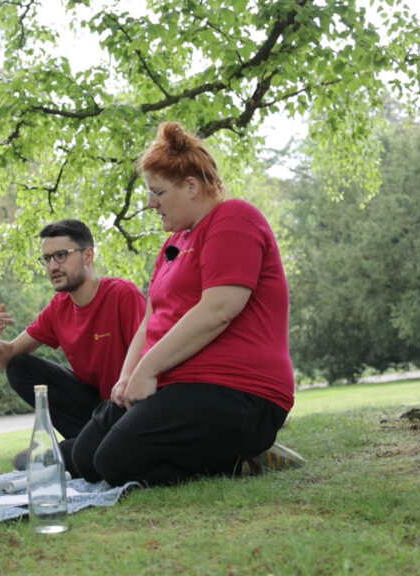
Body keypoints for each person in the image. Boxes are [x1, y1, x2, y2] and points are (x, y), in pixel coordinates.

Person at [71, 122, 305, 488]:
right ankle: (222, 453)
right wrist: (127, 376)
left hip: (238, 390)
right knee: (86, 459)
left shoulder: (235, 219)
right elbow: (151, 317)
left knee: (114, 463)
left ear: (191, 187)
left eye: (157, 192)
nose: (150, 203)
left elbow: (219, 310)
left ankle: (243, 457)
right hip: (178, 386)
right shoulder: (174, 244)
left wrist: (148, 370)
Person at [0, 219, 147, 471]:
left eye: (61, 256)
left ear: (88, 255)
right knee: (20, 367)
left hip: (129, 405)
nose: (52, 266)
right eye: (47, 259)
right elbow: (7, 358)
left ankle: (63, 453)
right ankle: (81, 445)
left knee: (87, 456)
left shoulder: (122, 294)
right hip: (95, 408)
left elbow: (148, 360)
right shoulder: (58, 307)